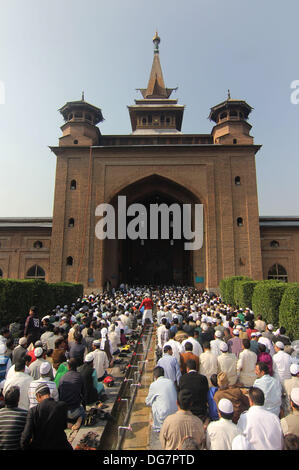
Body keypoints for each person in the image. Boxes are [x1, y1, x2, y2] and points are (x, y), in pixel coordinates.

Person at [21, 383, 73, 450]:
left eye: (36, 398)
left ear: (39, 396)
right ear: (49, 394)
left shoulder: (33, 411)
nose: (37, 400)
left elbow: (25, 438)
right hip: (60, 446)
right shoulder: (62, 406)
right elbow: (64, 426)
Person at [145, 366, 178, 432]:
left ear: (155, 376)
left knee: (153, 401)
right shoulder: (170, 382)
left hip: (163, 417)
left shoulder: (154, 384)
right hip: (175, 413)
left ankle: (157, 425)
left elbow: (147, 401)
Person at [58, 358, 85, 431]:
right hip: (76, 410)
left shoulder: (62, 378)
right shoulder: (79, 376)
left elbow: (59, 395)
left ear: (68, 367)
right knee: (82, 411)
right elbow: (83, 394)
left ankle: (66, 422)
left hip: (65, 412)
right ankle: (79, 420)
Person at [179, 359, 209, 423]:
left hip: (188, 411)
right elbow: (206, 393)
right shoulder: (203, 378)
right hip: (201, 412)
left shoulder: (182, 378)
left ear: (187, 369)